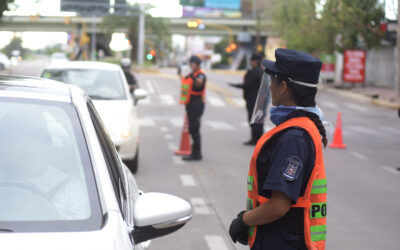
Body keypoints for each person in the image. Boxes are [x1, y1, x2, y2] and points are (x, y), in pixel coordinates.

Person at [229, 48, 328, 250]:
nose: (269, 87)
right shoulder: (301, 127)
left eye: (271, 81)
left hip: (282, 242)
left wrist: (244, 220)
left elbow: (278, 205)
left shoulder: (294, 137)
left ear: (283, 87)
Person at [229, 53, 264, 145]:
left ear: (255, 62)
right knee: (257, 120)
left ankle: (256, 140)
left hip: (253, 99)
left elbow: (248, 85)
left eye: (251, 61)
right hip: (259, 99)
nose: (250, 63)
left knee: (254, 120)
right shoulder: (261, 71)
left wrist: (235, 85)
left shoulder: (254, 72)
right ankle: (256, 139)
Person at [178, 55, 206, 161]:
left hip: (196, 104)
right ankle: (195, 153)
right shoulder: (192, 74)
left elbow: (199, 83)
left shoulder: (200, 75)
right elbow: (183, 78)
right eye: (190, 63)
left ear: (197, 65)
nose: (190, 65)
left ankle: (197, 154)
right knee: (192, 129)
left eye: (192, 64)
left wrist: (192, 76)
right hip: (190, 104)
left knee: (195, 129)